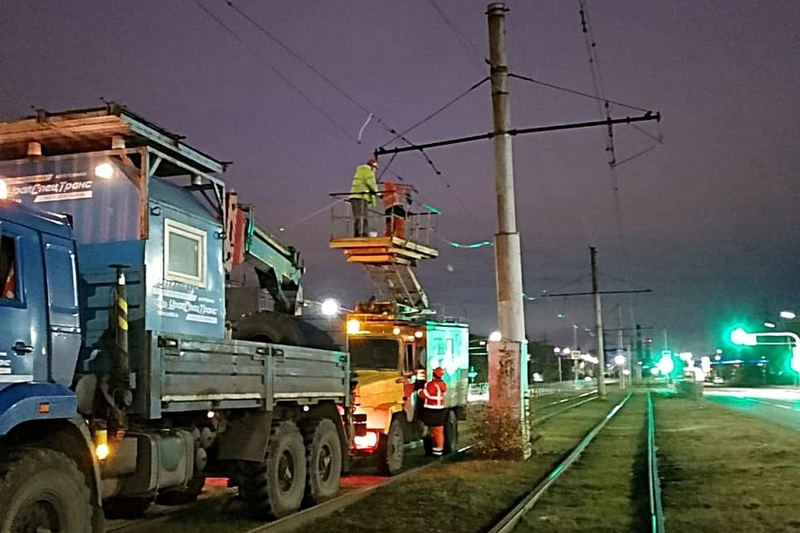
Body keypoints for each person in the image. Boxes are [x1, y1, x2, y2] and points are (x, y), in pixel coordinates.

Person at [418, 366, 448, 456]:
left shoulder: (431, 384)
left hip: (431, 410)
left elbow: (425, 395)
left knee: (432, 432)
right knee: (439, 432)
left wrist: (419, 390)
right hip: (440, 410)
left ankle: (435, 452)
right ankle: (438, 451)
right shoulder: (442, 384)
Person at [349, 158, 379, 237]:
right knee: (363, 217)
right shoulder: (368, 171)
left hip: (354, 196)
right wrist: (378, 194)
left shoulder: (360, 171)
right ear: (373, 166)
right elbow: (371, 184)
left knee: (358, 217)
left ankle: (357, 234)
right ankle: (363, 234)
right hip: (361, 197)